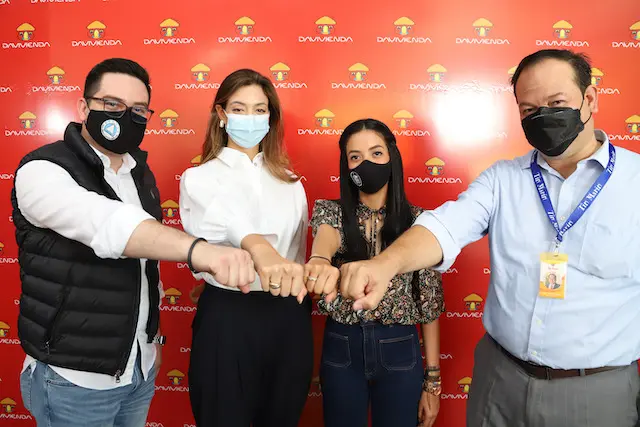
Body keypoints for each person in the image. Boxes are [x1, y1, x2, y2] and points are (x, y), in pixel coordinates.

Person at [338, 49, 640, 427]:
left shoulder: (634, 182)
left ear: (589, 99)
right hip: (499, 380)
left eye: (556, 103)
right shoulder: (502, 179)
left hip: (596, 391)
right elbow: (446, 226)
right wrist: (385, 264)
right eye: (529, 109)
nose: (542, 116)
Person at [13, 58, 254, 427]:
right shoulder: (42, 171)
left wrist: (150, 341)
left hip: (136, 370)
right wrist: (200, 250)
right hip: (73, 380)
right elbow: (109, 226)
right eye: (112, 104)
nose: (124, 116)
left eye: (138, 109)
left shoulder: (138, 173)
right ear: (83, 107)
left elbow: (143, 266)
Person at [180, 69, 313, 427]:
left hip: (288, 317)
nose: (250, 118)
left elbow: (297, 253)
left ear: (271, 117)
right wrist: (260, 251)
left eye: (259, 109)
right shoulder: (198, 178)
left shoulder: (291, 183)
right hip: (228, 316)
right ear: (221, 115)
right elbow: (225, 221)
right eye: (239, 109)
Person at [306, 119, 444, 427]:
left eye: (376, 153)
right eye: (355, 157)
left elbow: (430, 305)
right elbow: (326, 238)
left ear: (392, 157)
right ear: (346, 166)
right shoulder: (331, 212)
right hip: (343, 345)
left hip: (400, 347)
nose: (366, 163)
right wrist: (318, 258)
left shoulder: (420, 223)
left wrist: (432, 381)